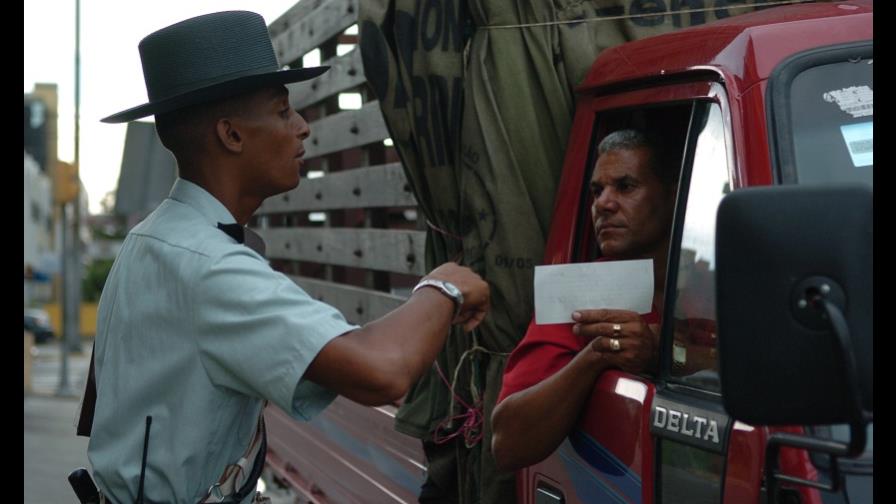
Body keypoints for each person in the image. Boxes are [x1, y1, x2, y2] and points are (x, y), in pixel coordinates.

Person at [83, 11, 490, 503]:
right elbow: (380, 371)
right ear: (231, 135)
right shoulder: (211, 266)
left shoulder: (150, 240)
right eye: (282, 112)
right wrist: (444, 284)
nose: (303, 128)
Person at [490, 129, 678, 471]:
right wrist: (598, 354)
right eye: (597, 191)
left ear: (673, 195)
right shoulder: (579, 290)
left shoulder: (721, 280)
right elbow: (507, 442)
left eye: (625, 186)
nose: (603, 203)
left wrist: (664, 352)